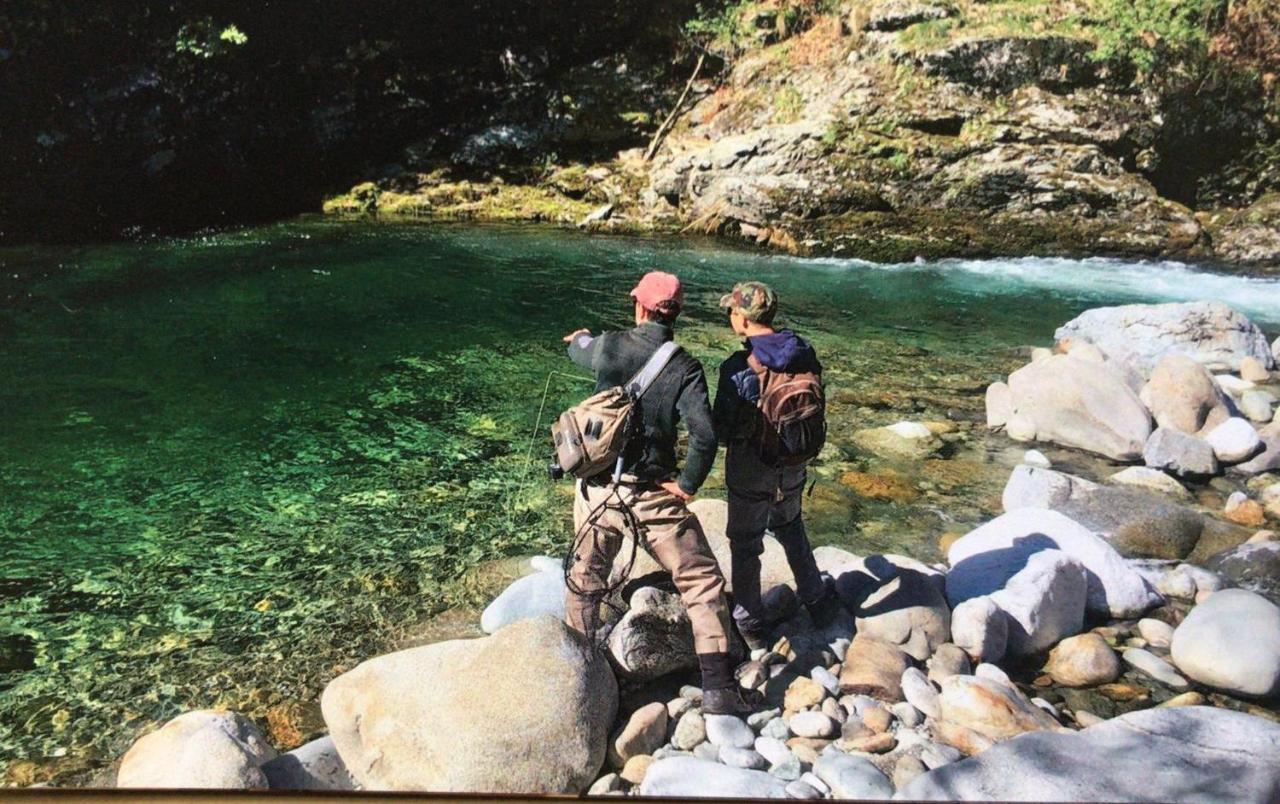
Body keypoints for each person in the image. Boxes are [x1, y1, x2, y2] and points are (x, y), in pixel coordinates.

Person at [561, 270, 758, 715]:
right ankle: (718, 689)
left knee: (586, 575)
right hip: (652, 496)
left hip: (597, 491)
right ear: (676, 313)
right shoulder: (685, 366)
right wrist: (687, 485)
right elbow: (705, 436)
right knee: (701, 583)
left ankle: (580, 677)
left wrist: (580, 338)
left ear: (640, 307)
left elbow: (581, 350)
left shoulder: (609, 346)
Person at [713, 281, 840, 650]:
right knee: (790, 526)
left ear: (743, 317)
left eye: (731, 311)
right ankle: (817, 601)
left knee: (745, 544)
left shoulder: (739, 367)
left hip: (753, 468)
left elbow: (722, 429)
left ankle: (750, 623)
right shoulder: (803, 351)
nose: (729, 317)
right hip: (795, 460)